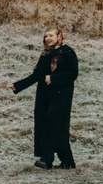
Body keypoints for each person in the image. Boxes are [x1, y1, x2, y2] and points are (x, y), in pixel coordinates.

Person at [5, 28, 79, 168]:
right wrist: (18, 86)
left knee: (53, 124)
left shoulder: (68, 52)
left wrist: (54, 78)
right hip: (44, 96)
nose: (48, 38)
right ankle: (67, 161)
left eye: (51, 35)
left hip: (60, 96)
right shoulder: (45, 55)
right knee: (49, 125)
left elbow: (72, 73)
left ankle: (47, 159)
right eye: (46, 36)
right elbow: (36, 76)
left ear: (59, 36)